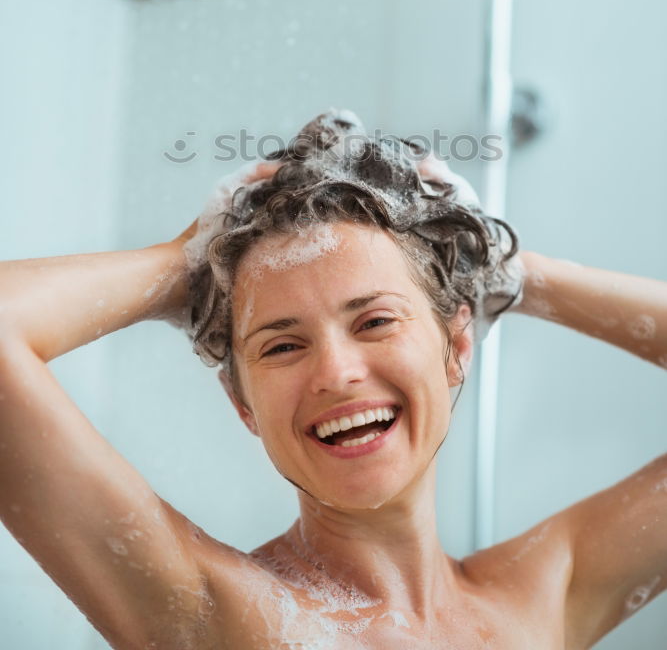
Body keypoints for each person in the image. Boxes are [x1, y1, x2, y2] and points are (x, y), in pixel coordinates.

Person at [0, 109, 665, 650]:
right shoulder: (208, 615)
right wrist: (182, 264)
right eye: (282, 344)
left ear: (456, 345)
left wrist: (510, 270)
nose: (336, 373)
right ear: (243, 404)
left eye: (374, 321)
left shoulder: (547, 595)